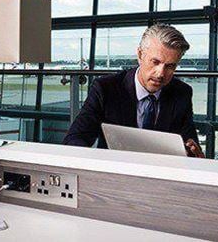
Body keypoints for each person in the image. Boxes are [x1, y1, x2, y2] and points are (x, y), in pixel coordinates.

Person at [63, 23, 204, 157]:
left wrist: (192, 150)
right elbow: (75, 138)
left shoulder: (182, 92)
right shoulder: (106, 88)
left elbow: (189, 141)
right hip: (116, 173)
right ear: (140, 55)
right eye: (155, 62)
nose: (160, 73)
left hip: (161, 174)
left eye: (170, 66)